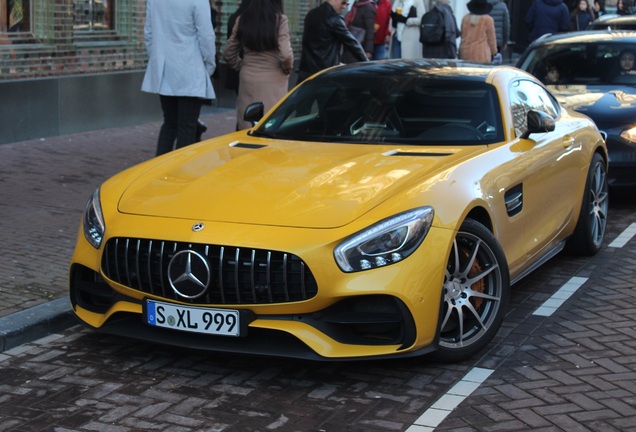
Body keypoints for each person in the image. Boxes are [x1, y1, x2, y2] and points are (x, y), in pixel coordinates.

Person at [141, 0, 216, 157]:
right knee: (187, 126)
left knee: (170, 123)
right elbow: (206, 36)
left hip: (165, 70)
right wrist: (209, 65)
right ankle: (182, 173)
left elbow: (149, 34)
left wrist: (158, 60)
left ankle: (158, 170)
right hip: (190, 69)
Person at [223, 0, 293, 130]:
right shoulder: (280, 20)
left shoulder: (243, 19)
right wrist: (286, 69)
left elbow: (228, 53)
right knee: (271, 126)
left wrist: (242, 66)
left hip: (248, 79)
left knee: (247, 126)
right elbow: (286, 55)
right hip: (274, 79)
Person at [297, 0, 368, 84]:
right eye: (343, 2)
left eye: (347, 4)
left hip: (306, 72)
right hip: (324, 74)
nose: (345, 7)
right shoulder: (334, 19)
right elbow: (352, 44)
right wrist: (367, 63)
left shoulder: (311, 14)